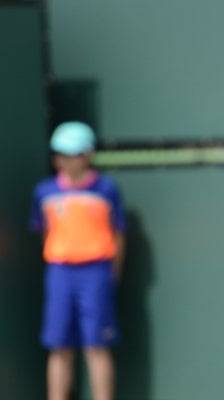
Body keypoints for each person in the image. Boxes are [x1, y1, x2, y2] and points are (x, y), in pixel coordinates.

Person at [30, 121, 126, 400]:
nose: (64, 160)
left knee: (97, 346)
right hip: (59, 272)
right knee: (59, 347)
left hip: (96, 272)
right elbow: (44, 233)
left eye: (72, 153)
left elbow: (118, 236)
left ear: (87, 155)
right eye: (60, 153)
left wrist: (112, 274)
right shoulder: (44, 192)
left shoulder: (107, 189)